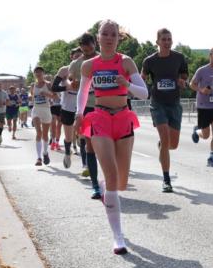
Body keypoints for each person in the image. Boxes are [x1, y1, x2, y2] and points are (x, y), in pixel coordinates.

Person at [79, 20, 148, 254]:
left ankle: (104, 188)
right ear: (98, 37)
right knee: (111, 175)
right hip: (99, 117)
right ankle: (118, 237)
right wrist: (79, 113)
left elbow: (144, 93)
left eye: (113, 35)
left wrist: (127, 84)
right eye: (105, 34)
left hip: (123, 118)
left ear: (118, 38)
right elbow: (83, 91)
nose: (109, 38)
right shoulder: (89, 65)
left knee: (120, 183)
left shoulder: (126, 62)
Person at [141, 28, 188, 192]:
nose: (167, 42)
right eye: (164, 39)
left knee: (172, 145)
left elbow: (184, 75)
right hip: (158, 104)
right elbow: (142, 77)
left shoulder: (179, 58)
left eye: (169, 39)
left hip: (174, 103)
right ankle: (166, 180)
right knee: (165, 138)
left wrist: (182, 81)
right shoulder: (149, 61)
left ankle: (162, 145)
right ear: (158, 42)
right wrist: (139, 83)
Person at [71, 34, 102, 198]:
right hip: (87, 107)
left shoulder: (104, 58)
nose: (87, 51)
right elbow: (70, 82)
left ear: (94, 43)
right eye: (84, 49)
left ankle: (110, 179)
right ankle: (95, 185)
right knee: (90, 145)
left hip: (105, 106)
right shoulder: (76, 64)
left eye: (90, 47)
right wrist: (72, 84)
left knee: (107, 145)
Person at [29, 68, 55, 165]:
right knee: (38, 133)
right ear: (34, 74)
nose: (38, 73)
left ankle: (45, 153)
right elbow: (32, 96)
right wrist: (31, 97)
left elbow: (55, 96)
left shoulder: (48, 84)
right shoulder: (33, 85)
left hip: (46, 110)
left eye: (40, 72)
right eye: (36, 72)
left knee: (45, 134)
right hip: (36, 110)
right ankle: (39, 158)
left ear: (43, 73)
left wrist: (46, 94)